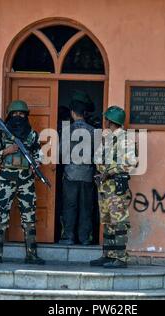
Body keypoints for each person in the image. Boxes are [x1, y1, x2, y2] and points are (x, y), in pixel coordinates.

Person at [0, 100, 45, 265]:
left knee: (29, 217)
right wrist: (6, 151)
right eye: (15, 114)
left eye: (21, 114)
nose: (18, 116)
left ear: (26, 116)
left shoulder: (32, 135)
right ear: (10, 115)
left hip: (26, 180)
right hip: (6, 179)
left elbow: (38, 155)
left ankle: (31, 254)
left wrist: (36, 164)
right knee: (0, 216)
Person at [90, 106, 137, 268]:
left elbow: (131, 163)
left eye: (106, 119)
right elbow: (97, 158)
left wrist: (109, 172)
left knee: (119, 222)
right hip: (104, 186)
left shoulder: (125, 140)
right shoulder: (107, 138)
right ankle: (108, 255)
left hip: (116, 185)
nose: (105, 121)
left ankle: (121, 258)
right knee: (107, 221)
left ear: (110, 120)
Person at [59, 91, 95, 245]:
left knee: (70, 206)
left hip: (71, 175)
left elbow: (61, 152)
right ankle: (85, 238)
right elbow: (98, 154)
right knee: (86, 207)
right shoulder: (94, 131)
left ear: (72, 112)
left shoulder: (67, 130)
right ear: (85, 113)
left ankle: (68, 237)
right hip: (87, 175)